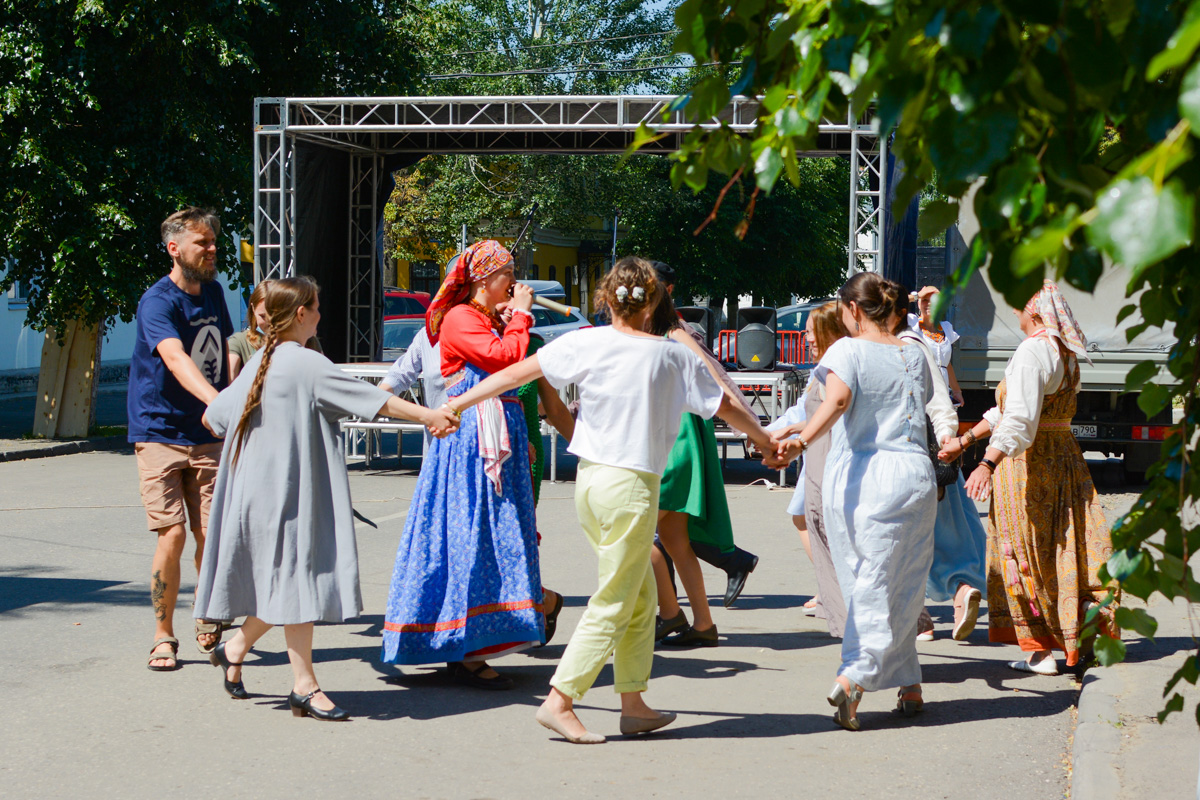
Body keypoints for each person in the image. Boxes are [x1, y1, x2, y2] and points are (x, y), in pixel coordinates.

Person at [447, 257, 777, 743]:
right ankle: (560, 699)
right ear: (655, 301)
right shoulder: (671, 355)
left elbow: (514, 373)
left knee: (640, 596)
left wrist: (456, 403)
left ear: (606, 299)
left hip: (592, 483)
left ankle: (634, 704)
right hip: (630, 486)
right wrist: (766, 441)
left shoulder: (586, 341)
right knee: (616, 599)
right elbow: (725, 405)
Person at [195, 276, 457, 720]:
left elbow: (211, 417)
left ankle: (235, 648)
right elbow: (375, 401)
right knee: (297, 582)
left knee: (287, 583)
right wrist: (429, 415)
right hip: (286, 495)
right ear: (301, 314)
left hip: (254, 495)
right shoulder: (305, 362)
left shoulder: (263, 359)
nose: (321, 313)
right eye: (316, 307)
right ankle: (304, 687)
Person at [775, 273, 937, 730]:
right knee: (904, 582)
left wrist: (800, 440)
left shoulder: (846, 350)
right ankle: (910, 682)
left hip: (866, 478)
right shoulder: (914, 351)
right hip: (915, 474)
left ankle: (853, 676)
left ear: (852, 309)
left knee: (867, 582)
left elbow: (839, 400)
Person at [380, 240, 544, 690]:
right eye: (507, 274)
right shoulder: (460, 318)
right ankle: (464, 648)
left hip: (491, 436)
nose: (514, 282)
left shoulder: (485, 317)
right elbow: (506, 360)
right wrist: (522, 315)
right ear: (484, 279)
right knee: (470, 536)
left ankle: (469, 643)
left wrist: (510, 317)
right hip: (469, 441)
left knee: (490, 537)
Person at [938, 280, 1116, 675]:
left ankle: (1039, 651)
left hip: (1027, 465)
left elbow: (1019, 420)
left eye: (1019, 308)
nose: (1016, 315)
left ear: (1033, 312)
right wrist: (966, 440)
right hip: (1064, 458)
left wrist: (987, 463)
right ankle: (1080, 628)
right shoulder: (1065, 353)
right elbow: (1010, 412)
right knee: (1062, 547)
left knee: (1022, 551)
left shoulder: (1032, 351)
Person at [130, 207, 235, 671]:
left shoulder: (214, 292)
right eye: (202, 243)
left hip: (208, 434)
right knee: (172, 534)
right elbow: (174, 358)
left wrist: (234, 397)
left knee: (210, 534)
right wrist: (217, 401)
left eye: (213, 241)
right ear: (174, 248)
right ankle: (162, 635)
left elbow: (225, 350)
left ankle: (206, 612)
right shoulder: (157, 302)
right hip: (160, 432)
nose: (212, 249)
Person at [649, 262, 760, 634]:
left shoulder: (675, 333)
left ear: (665, 291)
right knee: (673, 538)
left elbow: (718, 381)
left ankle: (670, 614)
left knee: (634, 536)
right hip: (667, 438)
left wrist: (754, 428)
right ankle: (703, 624)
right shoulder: (647, 333)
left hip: (675, 441)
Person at [896, 308, 986, 642]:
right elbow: (940, 394)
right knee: (949, 530)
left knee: (905, 536)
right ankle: (961, 590)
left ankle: (920, 616)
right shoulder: (915, 342)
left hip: (910, 455)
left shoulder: (909, 343)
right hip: (934, 452)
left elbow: (941, 382)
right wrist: (949, 438)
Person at [769, 302, 850, 637]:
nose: (805, 338)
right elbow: (811, 413)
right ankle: (831, 589)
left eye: (811, 332)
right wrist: (784, 431)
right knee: (809, 520)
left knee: (822, 525)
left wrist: (794, 438)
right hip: (817, 456)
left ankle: (836, 592)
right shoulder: (826, 367)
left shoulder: (836, 368)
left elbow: (833, 410)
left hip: (827, 457)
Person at [227, 280, 322, 379]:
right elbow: (230, 379)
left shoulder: (309, 340)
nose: (270, 323)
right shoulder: (239, 342)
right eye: (263, 316)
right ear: (253, 308)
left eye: (275, 316)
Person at [909, 286, 963, 405]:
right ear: (918, 304)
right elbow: (887, 305)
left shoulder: (946, 328)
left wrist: (956, 391)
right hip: (920, 393)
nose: (929, 304)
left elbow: (945, 363)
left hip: (942, 393)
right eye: (925, 300)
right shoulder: (912, 324)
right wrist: (916, 295)